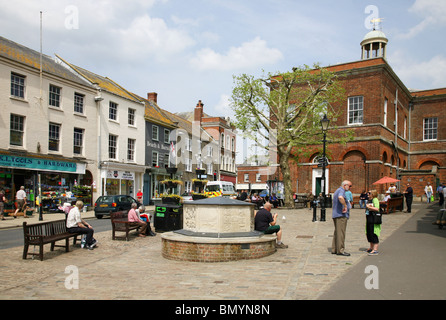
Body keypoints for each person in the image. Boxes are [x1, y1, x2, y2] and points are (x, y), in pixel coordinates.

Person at [331, 180, 352, 256]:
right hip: (341, 215)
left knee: (337, 232)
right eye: (350, 186)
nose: (350, 188)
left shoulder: (337, 190)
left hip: (336, 214)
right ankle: (340, 250)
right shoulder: (341, 191)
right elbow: (340, 197)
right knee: (341, 233)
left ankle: (335, 248)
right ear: (345, 185)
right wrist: (345, 206)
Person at [365, 190, 381, 255]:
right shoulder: (370, 200)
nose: (368, 194)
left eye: (369, 193)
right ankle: (371, 247)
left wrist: (369, 207)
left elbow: (377, 208)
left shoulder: (375, 200)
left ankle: (375, 249)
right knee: (369, 233)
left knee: (373, 233)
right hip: (369, 218)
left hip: (373, 218)